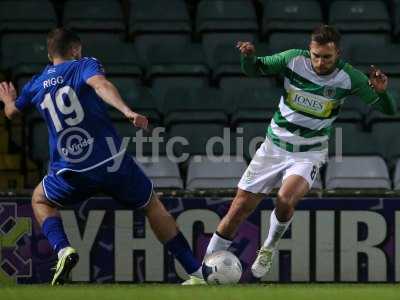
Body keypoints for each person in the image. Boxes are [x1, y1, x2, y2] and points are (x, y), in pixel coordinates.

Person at [0, 28, 204, 285]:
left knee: (40, 199)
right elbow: (101, 84)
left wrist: (8, 100)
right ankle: (195, 272)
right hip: (111, 163)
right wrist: (127, 110)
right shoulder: (84, 65)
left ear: (50, 54)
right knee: (152, 206)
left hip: (71, 171)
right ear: (75, 49)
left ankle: (63, 248)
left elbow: (11, 113)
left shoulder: (36, 83)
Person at [205, 24, 397, 279]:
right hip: (273, 148)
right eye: (316, 55)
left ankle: (268, 247)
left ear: (337, 53)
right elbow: (255, 69)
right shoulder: (293, 59)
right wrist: (248, 57)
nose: (320, 62)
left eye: (327, 57)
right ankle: (202, 270)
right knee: (238, 208)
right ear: (309, 50)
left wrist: (383, 95)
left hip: (308, 153)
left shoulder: (350, 78)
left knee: (285, 199)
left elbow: (388, 110)